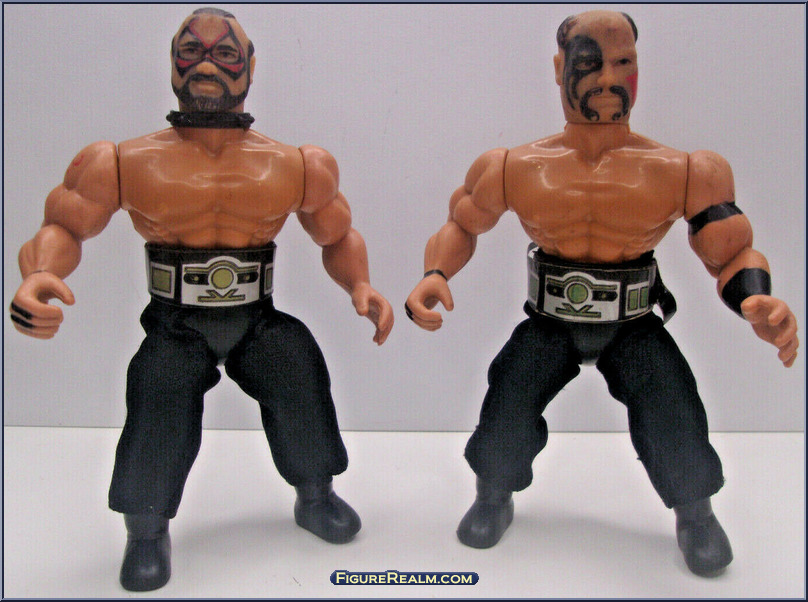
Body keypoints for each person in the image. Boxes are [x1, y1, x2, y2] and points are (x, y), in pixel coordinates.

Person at [10, 7, 393, 592]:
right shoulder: (122, 161)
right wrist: (38, 275)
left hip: (256, 317)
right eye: (191, 52)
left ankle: (315, 494)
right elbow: (63, 228)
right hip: (177, 322)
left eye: (225, 54)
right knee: (158, 391)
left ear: (250, 67)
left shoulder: (296, 164)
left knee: (297, 365)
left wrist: (360, 286)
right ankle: (146, 530)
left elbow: (336, 235)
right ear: (171, 63)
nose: (206, 65)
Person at [405, 10, 798, 576]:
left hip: (632, 324)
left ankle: (696, 513)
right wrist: (436, 274)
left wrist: (756, 299)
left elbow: (732, 252)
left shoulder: (684, 170)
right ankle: (493, 495)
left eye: (623, 62)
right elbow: (461, 225)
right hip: (550, 320)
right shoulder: (514, 166)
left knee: (672, 406)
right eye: (589, 63)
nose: (608, 78)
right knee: (509, 398)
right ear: (559, 68)